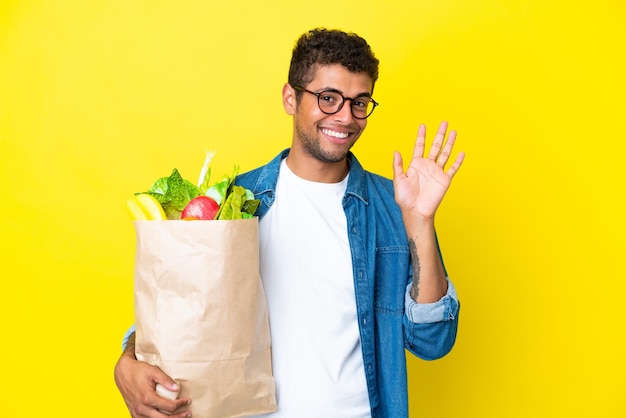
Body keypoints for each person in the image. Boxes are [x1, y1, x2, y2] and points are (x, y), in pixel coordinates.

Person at [114, 27, 464, 418]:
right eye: (328, 98)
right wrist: (128, 359)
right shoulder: (235, 202)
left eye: (359, 102)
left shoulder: (394, 205)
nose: (345, 117)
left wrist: (420, 222)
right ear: (290, 98)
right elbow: (182, 314)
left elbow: (432, 342)